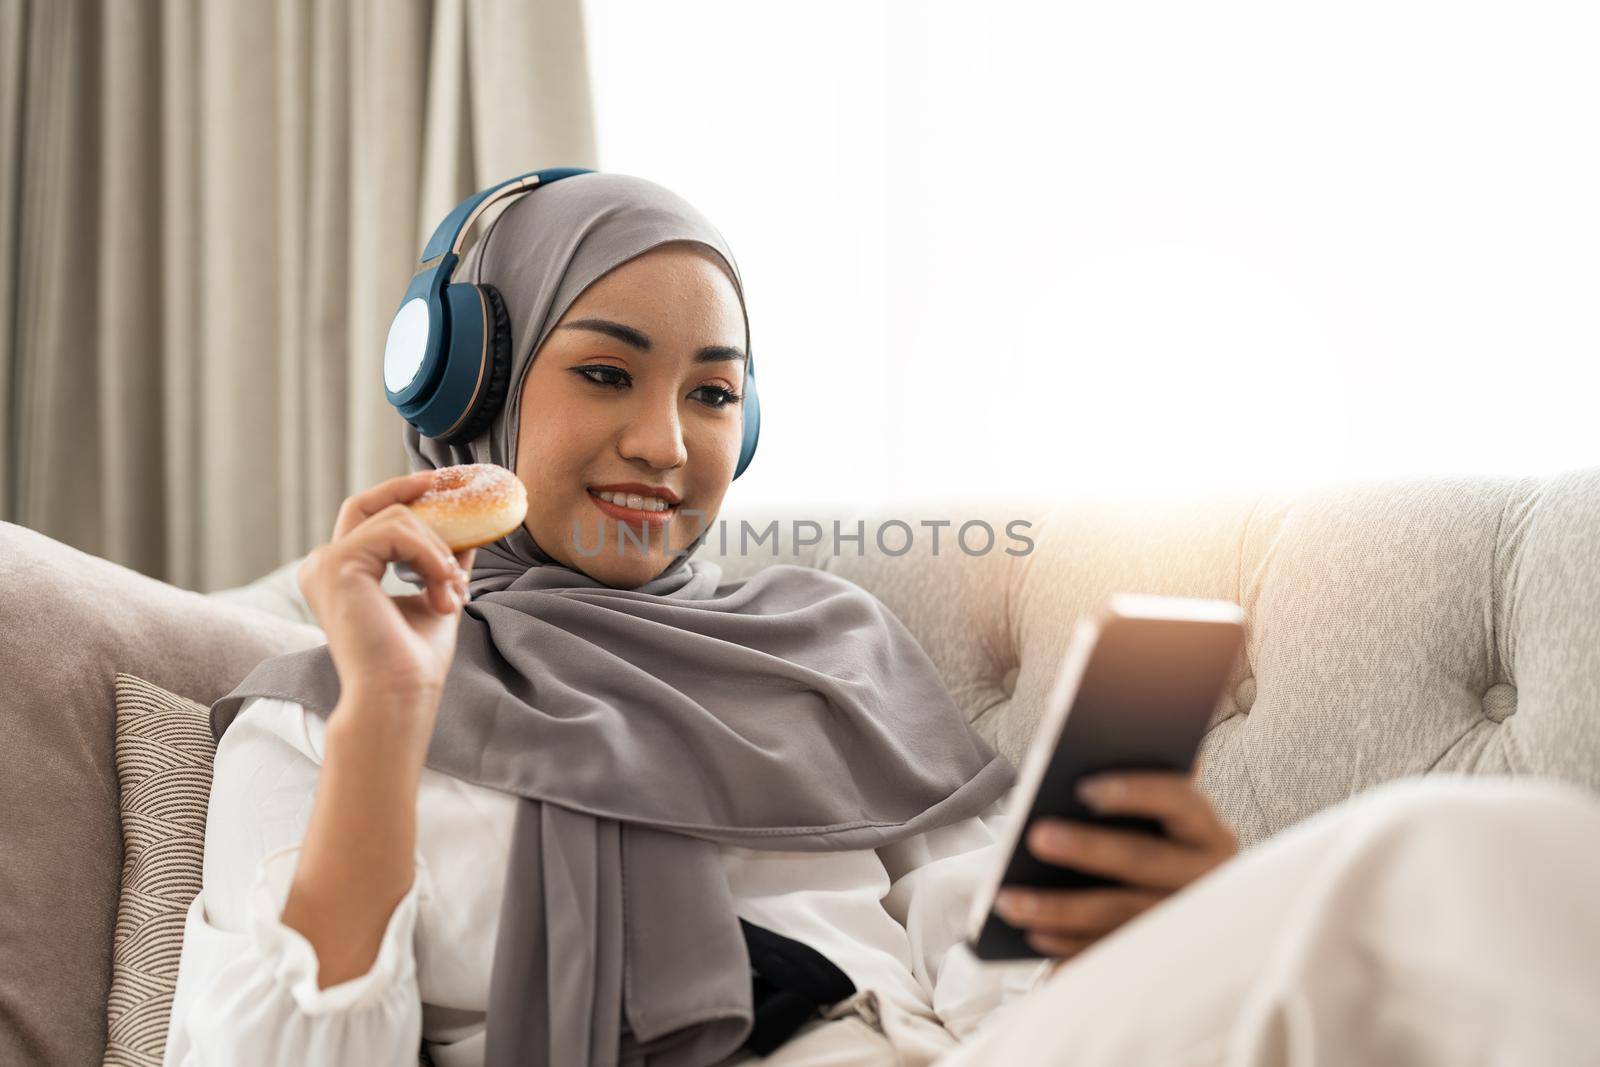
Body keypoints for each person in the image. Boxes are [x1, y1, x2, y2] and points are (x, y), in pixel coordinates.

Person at [162, 174, 1600, 1067]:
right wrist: (391, 721)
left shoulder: (816, 643)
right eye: (607, 375)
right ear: (470, 388)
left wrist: (1148, 915)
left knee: (1490, 858)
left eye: (714, 392)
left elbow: (976, 954)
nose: (667, 441)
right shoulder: (321, 709)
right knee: (1432, 863)